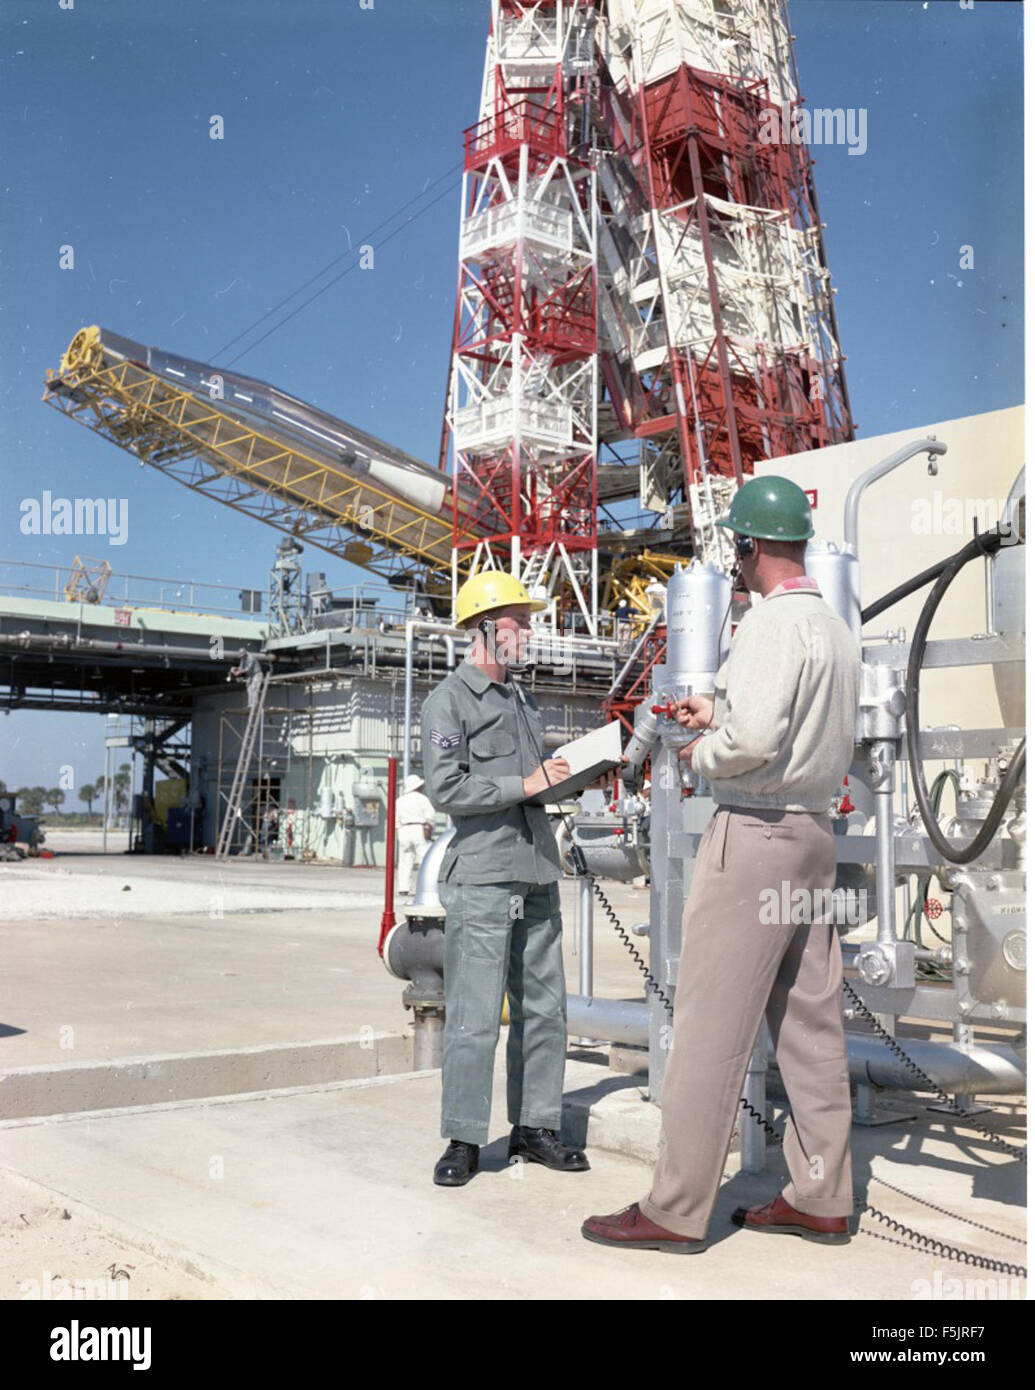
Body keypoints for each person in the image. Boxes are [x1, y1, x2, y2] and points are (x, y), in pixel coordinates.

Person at [582, 475, 860, 1253]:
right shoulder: (832, 626)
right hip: (809, 835)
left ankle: (673, 1210)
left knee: (708, 1027)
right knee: (809, 1023)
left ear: (746, 547)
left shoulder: (769, 625)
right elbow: (788, 725)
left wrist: (705, 746)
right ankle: (821, 1194)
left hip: (755, 839)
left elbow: (752, 744)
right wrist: (722, 711)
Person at [420, 571, 590, 1187]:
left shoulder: (522, 699)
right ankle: (464, 1138)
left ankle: (535, 1126)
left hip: (537, 869)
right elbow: (447, 788)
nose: (527, 631)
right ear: (484, 626)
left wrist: (572, 773)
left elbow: (535, 783)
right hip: (486, 877)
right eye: (518, 620)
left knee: (544, 1008)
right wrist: (526, 784)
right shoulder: (449, 701)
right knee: (473, 1012)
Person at [395, 773, 435, 897]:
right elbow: (430, 815)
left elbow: (395, 819)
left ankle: (403, 887)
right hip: (419, 828)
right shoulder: (422, 799)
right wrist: (429, 827)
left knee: (405, 860)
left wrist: (399, 829)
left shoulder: (399, 800)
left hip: (404, 829)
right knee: (425, 859)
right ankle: (425, 885)